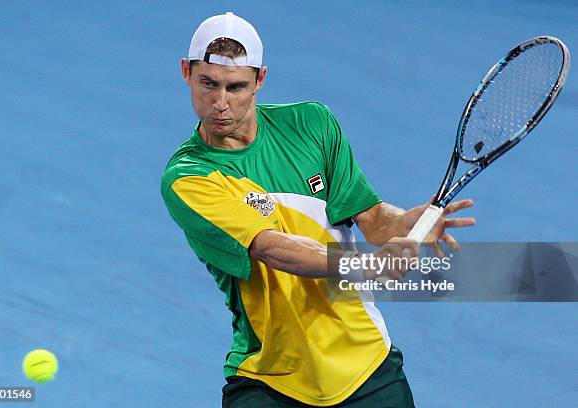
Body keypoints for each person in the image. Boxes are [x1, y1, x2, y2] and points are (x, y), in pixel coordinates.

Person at [161, 12, 475, 407]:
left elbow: (373, 219)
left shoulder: (312, 125)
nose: (220, 103)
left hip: (367, 369)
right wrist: (369, 265)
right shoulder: (189, 177)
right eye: (208, 84)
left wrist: (405, 222)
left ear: (260, 80)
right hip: (269, 379)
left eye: (236, 87)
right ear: (186, 72)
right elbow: (270, 248)